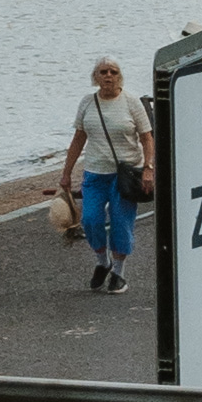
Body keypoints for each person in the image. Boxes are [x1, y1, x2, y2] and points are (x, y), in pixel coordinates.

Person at [60, 53, 150, 289]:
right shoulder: (87, 103)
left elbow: (147, 138)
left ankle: (119, 273)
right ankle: (103, 261)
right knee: (90, 220)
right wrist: (66, 172)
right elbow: (79, 138)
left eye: (113, 72)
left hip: (126, 175)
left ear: (120, 77)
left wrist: (149, 168)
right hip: (95, 174)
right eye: (103, 72)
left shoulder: (131, 102)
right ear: (96, 77)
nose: (108, 76)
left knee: (121, 223)